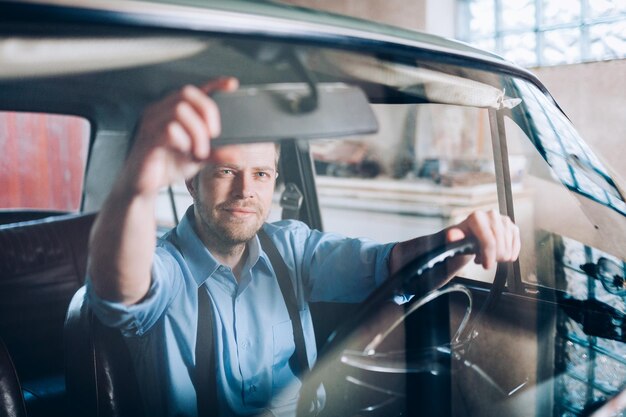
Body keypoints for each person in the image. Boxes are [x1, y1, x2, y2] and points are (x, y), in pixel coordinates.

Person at [86, 77, 521, 417]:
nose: (245, 191)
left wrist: (458, 240)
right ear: (190, 180)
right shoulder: (164, 267)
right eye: (225, 171)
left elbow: (388, 265)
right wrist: (137, 185)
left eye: (261, 174)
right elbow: (118, 292)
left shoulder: (291, 248)